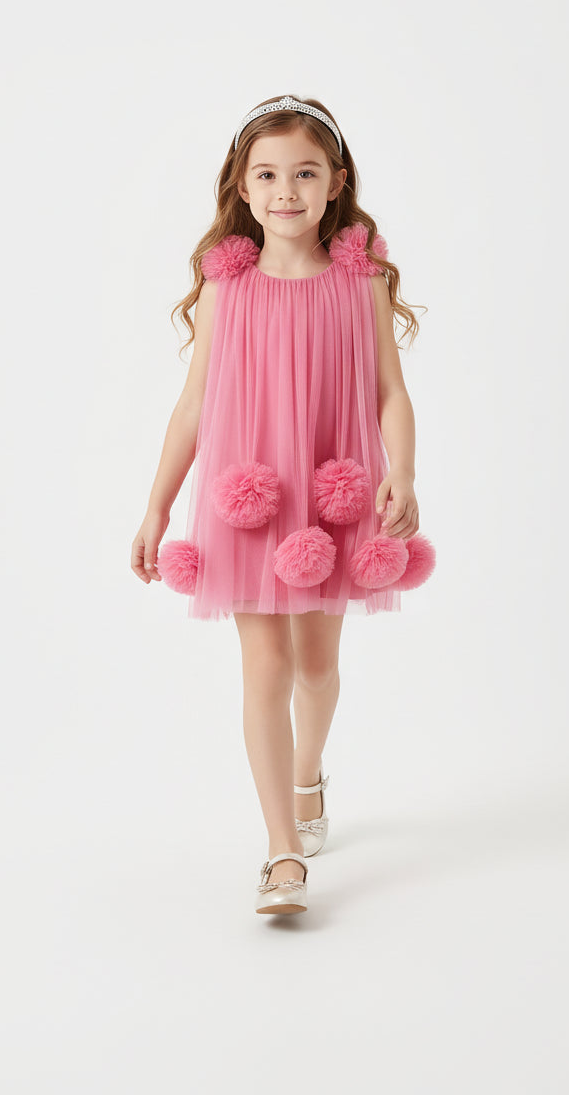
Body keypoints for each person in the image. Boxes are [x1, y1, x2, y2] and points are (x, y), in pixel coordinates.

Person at [131, 94, 435, 915]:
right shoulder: (225, 285)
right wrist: (158, 507)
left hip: (331, 488)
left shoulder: (361, 282)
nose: (285, 191)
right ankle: (282, 852)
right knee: (264, 664)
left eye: (304, 173)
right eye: (266, 175)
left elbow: (390, 392)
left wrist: (403, 471)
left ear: (336, 183)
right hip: (248, 495)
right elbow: (193, 406)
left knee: (316, 667)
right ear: (243, 186)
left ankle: (308, 776)